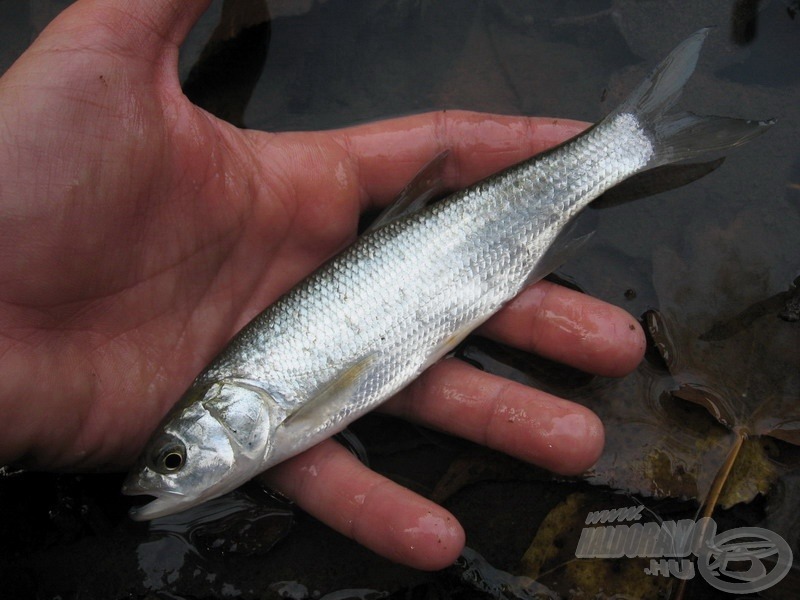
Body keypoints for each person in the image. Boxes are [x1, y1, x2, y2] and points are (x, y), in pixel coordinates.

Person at [0, 1, 644, 570]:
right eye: (173, 461)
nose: (170, 474)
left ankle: (623, 145)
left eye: (174, 460)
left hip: (434, 254)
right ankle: (623, 146)